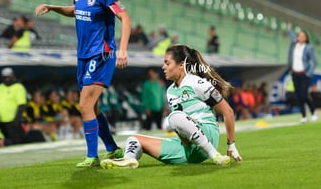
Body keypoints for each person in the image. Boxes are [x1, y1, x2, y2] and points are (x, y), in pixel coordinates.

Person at [35, 0, 132, 167]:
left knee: (84, 106)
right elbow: (76, 10)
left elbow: (125, 18)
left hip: (102, 53)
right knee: (93, 108)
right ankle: (113, 149)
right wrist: (53, 8)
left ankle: (92, 157)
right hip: (83, 56)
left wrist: (123, 49)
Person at [101, 44, 242, 169]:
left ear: (181, 65)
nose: (163, 67)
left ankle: (214, 155)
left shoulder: (197, 83)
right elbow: (180, 126)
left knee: (173, 117)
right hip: (189, 147)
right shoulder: (170, 92)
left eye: (167, 63)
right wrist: (184, 139)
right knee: (134, 139)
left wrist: (231, 145)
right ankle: (129, 160)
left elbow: (228, 112)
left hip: (208, 136)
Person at [287, 23, 318, 123]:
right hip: (295, 74)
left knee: (304, 95)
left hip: (304, 74)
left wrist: (309, 73)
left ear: (306, 38)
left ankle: (313, 112)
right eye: (299, 35)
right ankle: (303, 115)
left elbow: (314, 61)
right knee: (299, 96)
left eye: (303, 36)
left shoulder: (309, 48)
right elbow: (292, 36)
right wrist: (289, 29)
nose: (300, 37)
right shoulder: (294, 44)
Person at [0, 67, 27, 144]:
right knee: (3, 142)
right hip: (0, 120)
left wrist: (16, 119)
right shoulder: (0, 87)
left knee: (16, 141)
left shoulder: (18, 87)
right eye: (4, 77)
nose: (6, 79)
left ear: (12, 76)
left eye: (8, 77)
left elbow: (22, 104)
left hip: (12, 121)